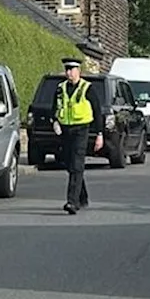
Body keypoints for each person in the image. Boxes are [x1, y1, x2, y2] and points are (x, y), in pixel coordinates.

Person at [52, 58, 103, 214]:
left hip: (81, 129)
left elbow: (97, 111)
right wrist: (54, 121)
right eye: (67, 70)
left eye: (72, 70)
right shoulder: (60, 88)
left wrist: (99, 134)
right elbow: (54, 107)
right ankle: (82, 196)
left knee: (76, 164)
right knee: (69, 163)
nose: (69, 73)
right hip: (65, 130)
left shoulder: (87, 88)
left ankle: (72, 202)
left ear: (78, 72)